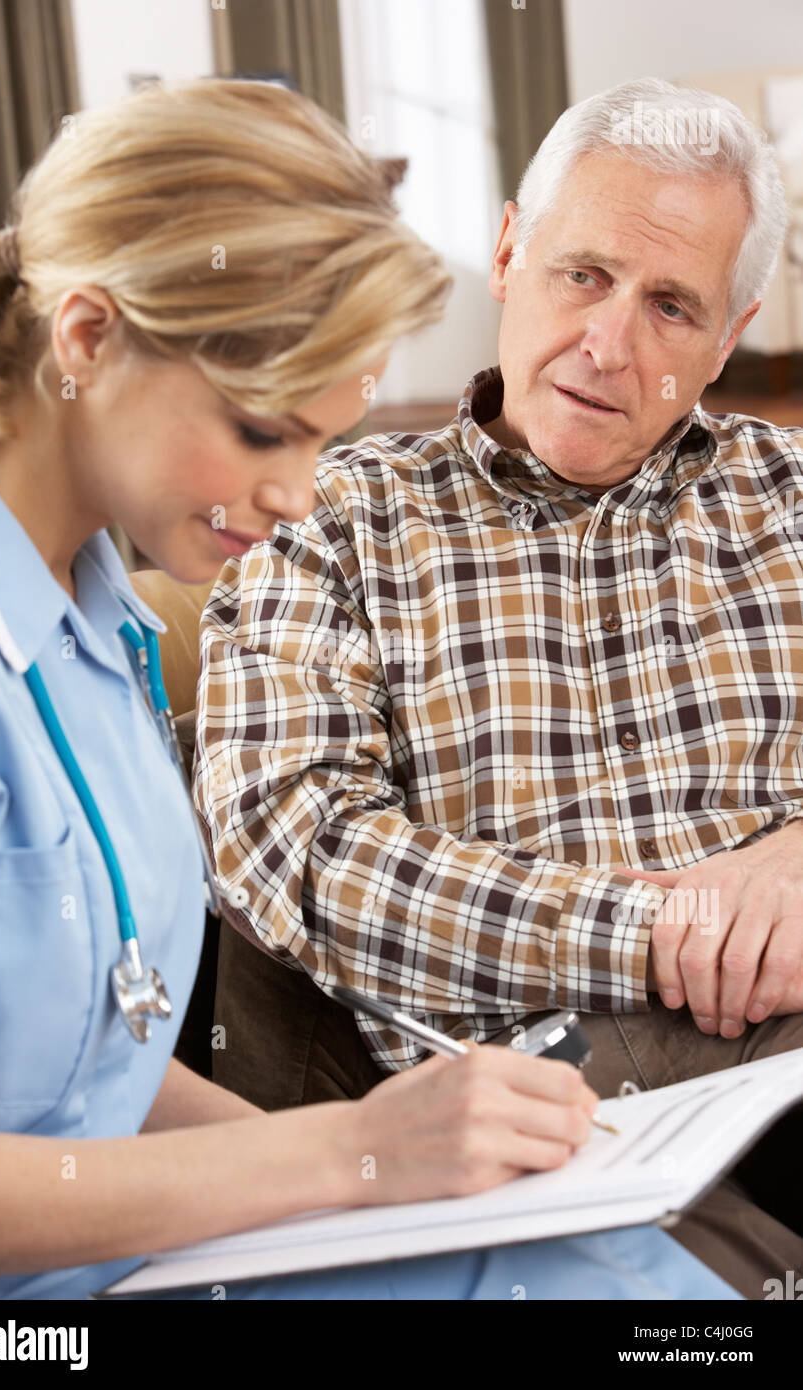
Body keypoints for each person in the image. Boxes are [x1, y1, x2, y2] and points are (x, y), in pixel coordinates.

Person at [0, 76, 738, 1302]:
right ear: (88, 338)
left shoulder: (95, 613)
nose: (302, 493)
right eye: (266, 432)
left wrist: (415, 1153)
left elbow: (91, 1072)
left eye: (324, 437)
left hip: (157, 1245)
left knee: (629, 1281)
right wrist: (349, 1148)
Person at [193, 76, 803, 1300]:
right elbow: (292, 847)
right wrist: (660, 933)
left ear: (728, 334)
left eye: (671, 305)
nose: (607, 343)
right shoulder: (333, 518)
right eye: (584, 274)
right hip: (538, 1110)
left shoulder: (790, 494)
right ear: (510, 249)